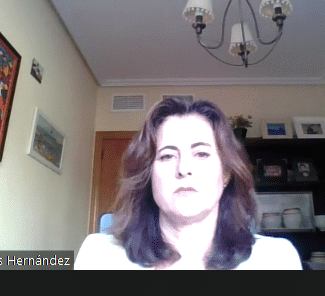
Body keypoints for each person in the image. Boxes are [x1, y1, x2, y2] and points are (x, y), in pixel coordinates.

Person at [75, 98, 301, 269]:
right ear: (148, 176)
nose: (183, 169)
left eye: (201, 154)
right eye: (167, 156)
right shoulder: (99, 255)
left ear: (226, 174)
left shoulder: (277, 258)